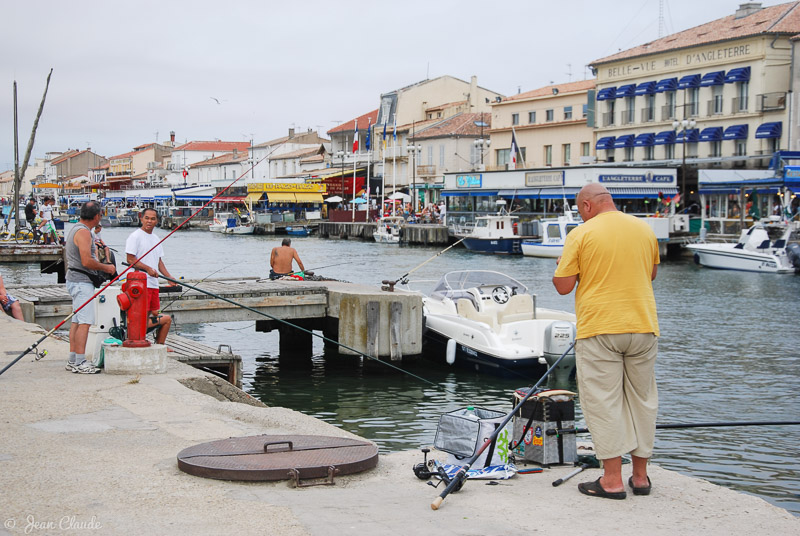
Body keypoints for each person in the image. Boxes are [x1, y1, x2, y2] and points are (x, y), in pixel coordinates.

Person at [552, 183, 659, 500]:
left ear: (586, 206)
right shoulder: (644, 229)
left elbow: (562, 286)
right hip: (643, 326)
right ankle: (640, 478)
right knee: (643, 400)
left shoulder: (581, 234)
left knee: (603, 401)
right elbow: (651, 274)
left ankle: (612, 480)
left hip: (600, 328)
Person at [65, 201, 117, 373]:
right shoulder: (84, 233)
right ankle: (80, 362)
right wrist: (107, 268)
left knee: (77, 321)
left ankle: (73, 359)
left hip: (74, 279)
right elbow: (87, 261)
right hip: (81, 282)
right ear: (96, 216)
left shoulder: (75, 228)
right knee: (85, 322)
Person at [125, 207, 176, 346]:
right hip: (140, 285)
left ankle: (157, 345)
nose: (149, 221)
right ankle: (136, 335)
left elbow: (159, 262)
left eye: (153, 219)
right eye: (147, 218)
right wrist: (147, 269)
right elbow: (130, 259)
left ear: (157, 221)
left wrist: (169, 278)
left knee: (154, 313)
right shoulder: (135, 236)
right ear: (141, 218)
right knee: (142, 314)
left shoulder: (156, 238)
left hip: (153, 284)